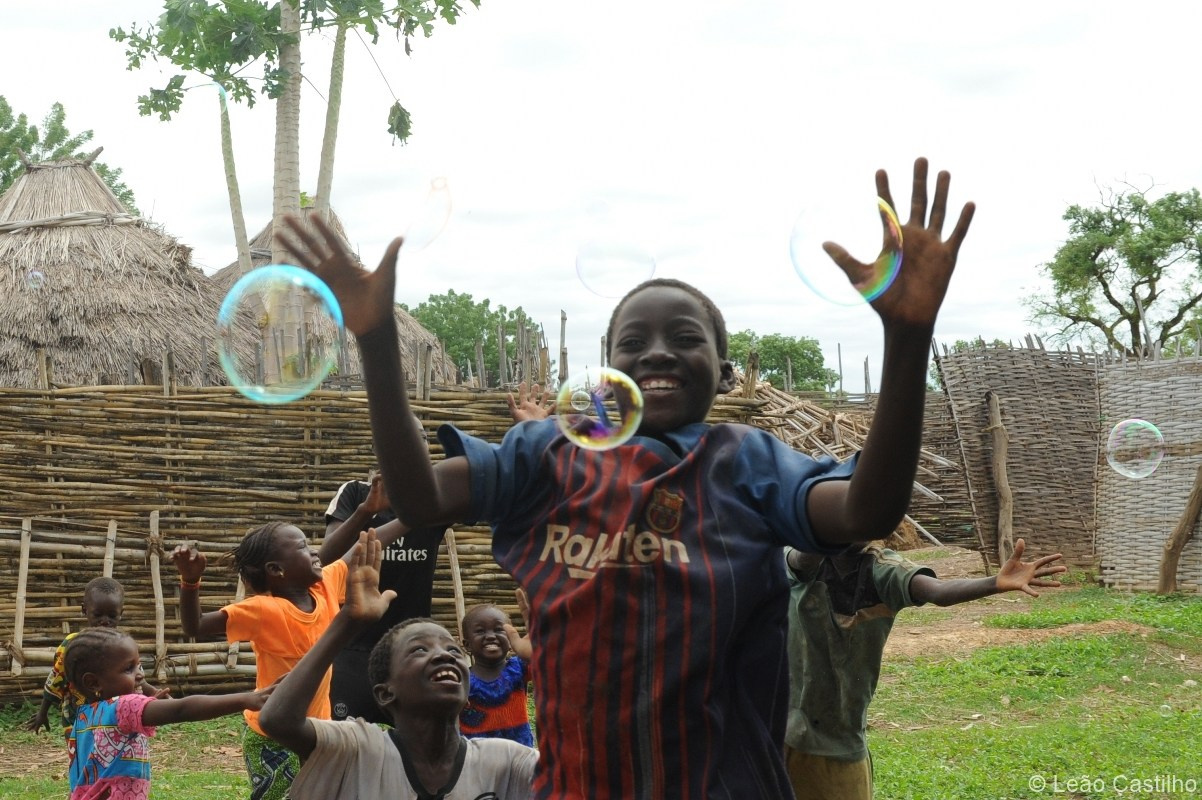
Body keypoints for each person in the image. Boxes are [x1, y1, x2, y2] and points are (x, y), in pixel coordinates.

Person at [278, 157, 975, 799]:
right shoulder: (543, 456)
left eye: (686, 338)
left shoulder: (748, 462)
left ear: (726, 372)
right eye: (633, 344)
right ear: (606, 369)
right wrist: (374, 342)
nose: (659, 352)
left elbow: (866, 512)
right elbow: (419, 494)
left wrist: (906, 337)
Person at [259, 529, 537, 799]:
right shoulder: (359, 751)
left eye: (452, 649)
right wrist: (346, 622)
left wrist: (553, 650)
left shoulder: (507, 760)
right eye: (419, 650)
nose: (444, 655)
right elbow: (278, 720)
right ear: (385, 692)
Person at [783, 538, 1066, 800]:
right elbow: (800, 560)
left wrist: (994, 582)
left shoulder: (883, 571)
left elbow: (938, 592)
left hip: (836, 743)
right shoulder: (802, 557)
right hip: (779, 732)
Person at [170, 517, 409, 800]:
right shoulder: (264, 610)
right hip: (272, 736)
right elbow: (195, 626)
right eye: (303, 547)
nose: (315, 552)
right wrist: (190, 580)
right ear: (277, 570)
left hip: (319, 729)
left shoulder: (325, 588)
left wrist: (408, 518)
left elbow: (362, 545)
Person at [63, 626, 273, 800]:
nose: (140, 675)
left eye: (139, 665)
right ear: (93, 683)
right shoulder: (124, 706)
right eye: (128, 669)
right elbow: (182, 709)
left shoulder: (83, 718)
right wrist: (247, 699)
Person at [320, 469, 447, 724]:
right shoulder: (355, 492)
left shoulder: (432, 495)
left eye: (420, 436)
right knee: (345, 742)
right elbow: (327, 558)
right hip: (352, 643)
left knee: (415, 742)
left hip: (412, 644)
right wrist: (366, 511)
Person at [24, 576, 163, 738]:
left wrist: (153, 693)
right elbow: (56, 680)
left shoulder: (124, 647)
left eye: (112, 616)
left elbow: (137, 678)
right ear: (85, 610)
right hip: (78, 719)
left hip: (116, 718)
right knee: (81, 758)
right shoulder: (72, 646)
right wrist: (42, 713)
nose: (105, 621)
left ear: (121, 613)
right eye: (98, 615)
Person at [459, 594, 536, 747]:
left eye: (499, 630)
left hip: (519, 756)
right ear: (467, 645)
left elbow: (552, 667)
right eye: (480, 631)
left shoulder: (519, 668)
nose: (490, 636)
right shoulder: (460, 678)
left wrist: (538, 651)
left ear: (510, 639)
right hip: (477, 760)